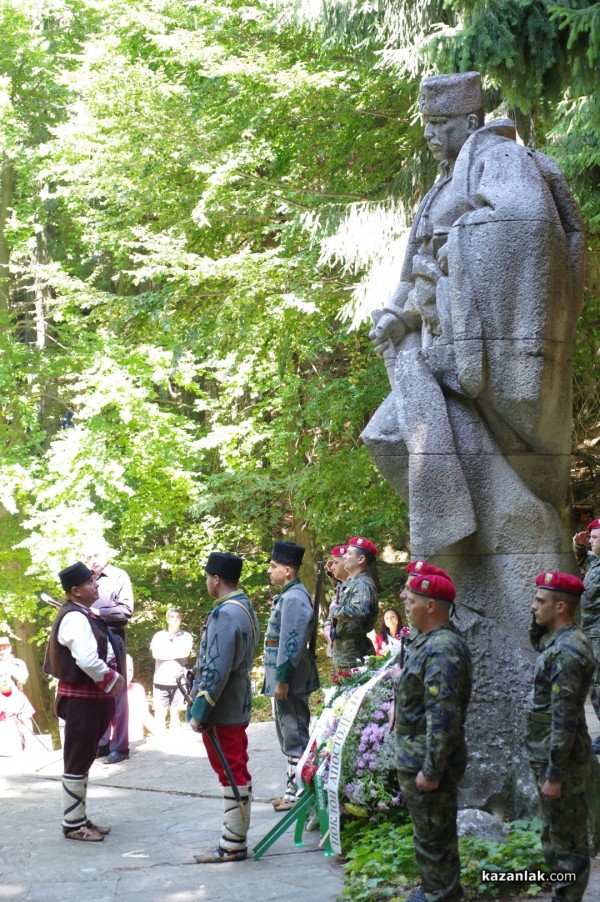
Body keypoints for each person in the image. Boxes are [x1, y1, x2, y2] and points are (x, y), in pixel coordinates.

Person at [395, 571, 472, 902]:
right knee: (430, 837)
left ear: (430, 605)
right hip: (416, 756)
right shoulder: (428, 641)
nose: (405, 606)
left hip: (426, 761)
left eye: (410, 602)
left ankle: (441, 895)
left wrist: (432, 769)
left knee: (435, 840)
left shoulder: (442, 648)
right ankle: (435, 889)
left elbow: (444, 717)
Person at [43, 562, 124, 842]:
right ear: (76, 590)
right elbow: (88, 660)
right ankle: (73, 823)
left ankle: (79, 816)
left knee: (84, 758)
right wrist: (112, 679)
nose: (97, 584)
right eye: (91, 582)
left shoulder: (80, 613)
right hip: (81, 702)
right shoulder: (75, 618)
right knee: (77, 760)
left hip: (89, 701)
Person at [527, 571, 594, 902]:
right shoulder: (558, 641)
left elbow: (564, 718)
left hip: (561, 764)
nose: (533, 606)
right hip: (549, 757)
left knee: (567, 843)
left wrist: (554, 774)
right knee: (554, 837)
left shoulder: (568, 652)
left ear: (562, 607)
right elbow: (537, 640)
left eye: (540, 602)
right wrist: (538, 615)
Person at [189, 552, 259, 863]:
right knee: (234, 767)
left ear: (217, 579)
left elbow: (216, 668)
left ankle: (233, 844)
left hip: (224, 707)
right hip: (235, 701)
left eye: (207, 577)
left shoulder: (227, 614)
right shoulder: (243, 608)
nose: (206, 582)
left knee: (231, 770)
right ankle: (234, 840)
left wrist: (200, 710)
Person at [262, 540, 319, 812]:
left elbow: (291, 642)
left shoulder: (295, 598)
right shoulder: (289, 595)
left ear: (287, 570)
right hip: (284, 678)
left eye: (273, 567)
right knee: (288, 734)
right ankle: (291, 788)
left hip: (292, 680)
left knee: (295, 732)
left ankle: (299, 793)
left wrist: (283, 679)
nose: (268, 571)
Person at [85, 538, 134, 764]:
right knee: (97, 692)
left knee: (118, 691)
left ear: (105, 554)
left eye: (95, 556)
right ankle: (102, 743)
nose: (92, 561)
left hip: (113, 639)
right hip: (91, 641)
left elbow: (126, 611)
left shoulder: (118, 576)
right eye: (88, 557)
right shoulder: (85, 579)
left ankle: (121, 746)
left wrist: (97, 612)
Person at [329, 537, 379, 671]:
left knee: (351, 690)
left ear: (360, 559)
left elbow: (359, 610)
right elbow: (340, 586)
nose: (344, 556)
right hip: (344, 652)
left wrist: (335, 610)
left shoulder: (362, 584)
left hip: (353, 654)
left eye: (349, 553)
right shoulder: (352, 582)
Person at [572, 516, 600, 754]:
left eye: (594, 538)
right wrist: (579, 545)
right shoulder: (596, 564)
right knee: (594, 684)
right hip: (591, 633)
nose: (590, 541)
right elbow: (583, 559)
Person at [150, 609, 194, 732]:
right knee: (160, 715)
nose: (175, 618)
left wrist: (165, 652)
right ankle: (159, 745)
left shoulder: (187, 636)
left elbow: (185, 652)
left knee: (176, 715)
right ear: (167, 619)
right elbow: (156, 654)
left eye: (177, 616)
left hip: (180, 681)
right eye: (171, 616)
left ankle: (174, 744)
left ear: (181, 619)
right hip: (160, 680)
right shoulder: (158, 635)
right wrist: (176, 653)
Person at [0, 668, 35, 755]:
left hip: (21, 729)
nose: (4, 679)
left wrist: (22, 716)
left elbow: (28, 713)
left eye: (6, 676)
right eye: (1, 676)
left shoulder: (19, 695)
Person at [321, 545, 348, 659]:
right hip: (338, 647)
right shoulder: (340, 587)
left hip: (348, 649)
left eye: (336, 563)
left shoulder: (356, 586)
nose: (332, 567)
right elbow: (339, 586)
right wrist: (327, 630)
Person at [125, 655, 155, 743]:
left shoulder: (138, 689)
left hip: (136, 742)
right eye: (124, 668)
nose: (128, 672)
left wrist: (161, 734)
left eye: (130, 669)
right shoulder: (109, 692)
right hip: (113, 747)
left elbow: (145, 716)